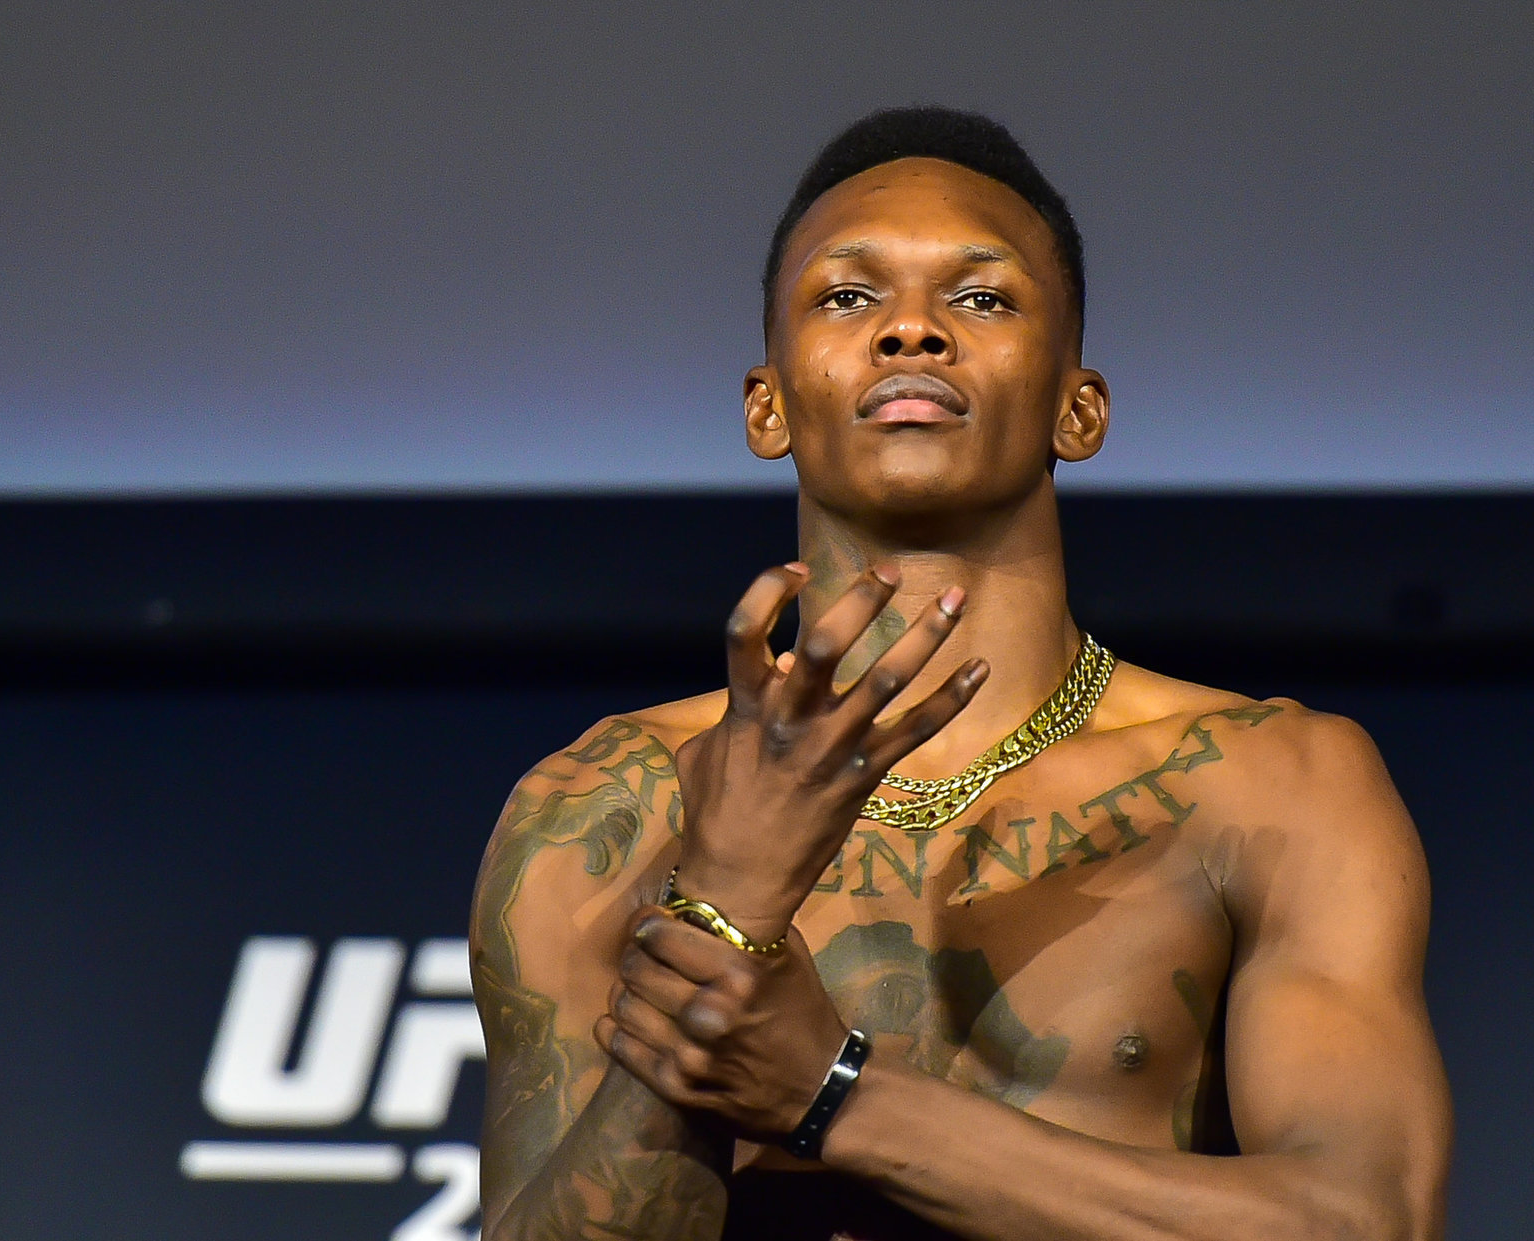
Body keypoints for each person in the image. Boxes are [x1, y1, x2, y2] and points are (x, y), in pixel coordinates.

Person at [470, 106, 1451, 1241]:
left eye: (980, 298)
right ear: (767, 405)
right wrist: (723, 909)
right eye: (848, 296)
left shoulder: (1269, 783)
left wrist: (830, 1094)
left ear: (1079, 409)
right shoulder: (606, 803)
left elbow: (1368, 1221)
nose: (910, 331)